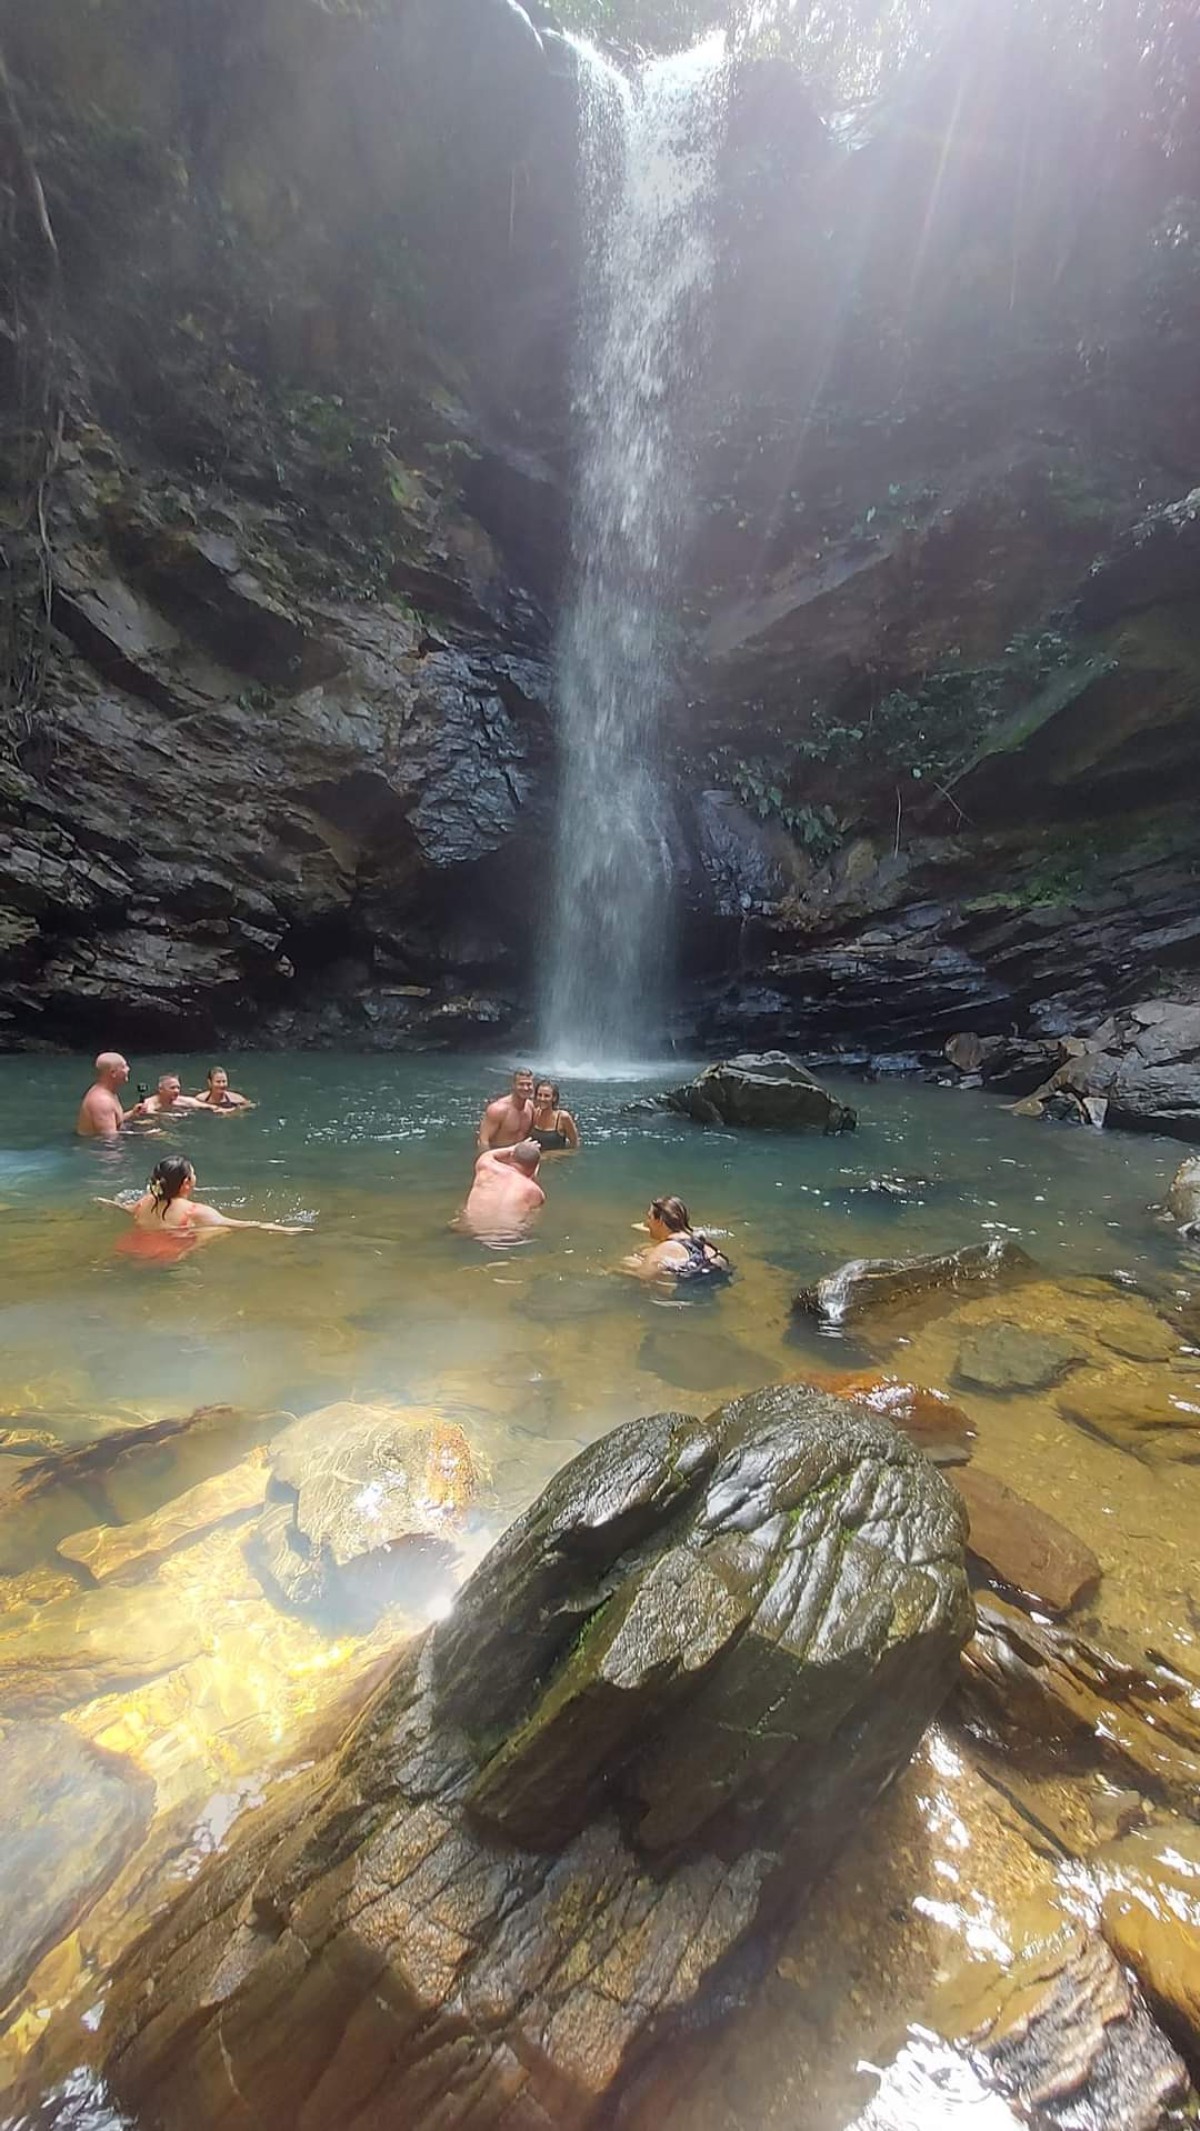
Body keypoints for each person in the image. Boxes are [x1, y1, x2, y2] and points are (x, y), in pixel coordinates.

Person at [104, 1154, 308, 1257]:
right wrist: (279, 1228)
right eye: (193, 1173)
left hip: (132, 1247)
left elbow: (125, 1208)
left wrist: (107, 1203)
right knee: (220, 1229)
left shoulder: (146, 1201)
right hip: (167, 1257)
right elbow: (240, 1224)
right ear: (186, 1183)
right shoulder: (195, 1211)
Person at [622, 1196, 732, 1287]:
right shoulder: (699, 1240)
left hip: (691, 1291)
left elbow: (641, 1278)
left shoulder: (667, 1248)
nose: (647, 1223)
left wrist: (619, 1269)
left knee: (629, 1263)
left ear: (660, 1221)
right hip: (717, 1275)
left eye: (649, 1217)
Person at [460, 1139, 545, 1243]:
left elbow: (489, 1154)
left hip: (469, 1230)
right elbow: (530, 1221)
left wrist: (513, 1147)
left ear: (512, 1155)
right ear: (536, 1167)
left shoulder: (486, 1166)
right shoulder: (535, 1192)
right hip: (507, 1237)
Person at [75, 1052, 147, 1138]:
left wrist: (132, 1113)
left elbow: (113, 1121)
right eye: (124, 1067)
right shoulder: (102, 1101)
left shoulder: (109, 1093)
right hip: (95, 1145)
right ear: (113, 1073)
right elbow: (109, 1139)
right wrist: (145, 1135)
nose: (128, 1069)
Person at [478, 1068, 535, 1151]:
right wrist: (489, 1158)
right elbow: (483, 1141)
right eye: (521, 1084)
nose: (526, 1088)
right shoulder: (497, 1110)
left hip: (520, 1155)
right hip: (498, 1154)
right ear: (513, 1085)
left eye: (529, 1084)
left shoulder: (530, 1107)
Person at [530, 1080, 580, 1152]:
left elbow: (575, 1146)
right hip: (536, 1158)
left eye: (546, 1096)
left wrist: (548, 1156)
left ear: (554, 1098)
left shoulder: (563, 1117)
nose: (542, 1099)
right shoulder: (535, 1113)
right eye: (539, 1095)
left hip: (556, 1159)